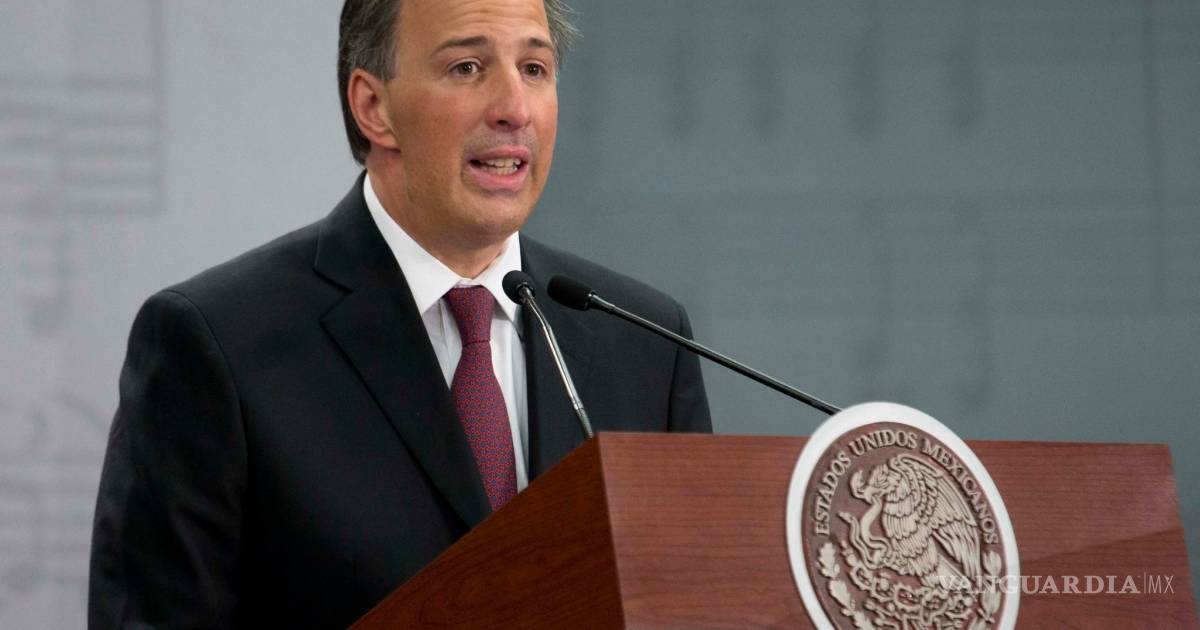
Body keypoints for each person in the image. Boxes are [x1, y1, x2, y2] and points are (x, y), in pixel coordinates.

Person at [88, 0, 711, 627]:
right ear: (373, 107)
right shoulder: (215, 344)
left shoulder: (645, 345)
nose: (515, 109)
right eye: (467, 68)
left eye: (534, 69)